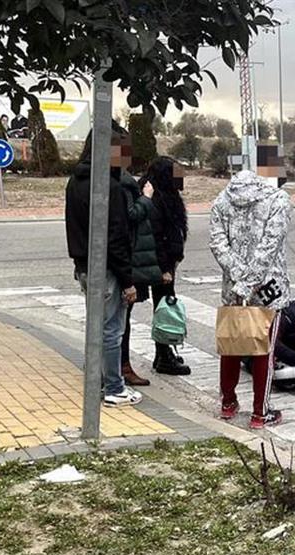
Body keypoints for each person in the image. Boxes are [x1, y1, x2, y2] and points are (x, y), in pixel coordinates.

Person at [65, 122, 141, 407]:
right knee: (111, 329)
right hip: (107, 269)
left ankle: (97, 381)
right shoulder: (109, 187)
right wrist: (128, 280)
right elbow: (116, 238)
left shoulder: (75, 182)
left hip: (83, 265)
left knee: (96, 327)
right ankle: (114, 387)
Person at [210, 169, 291, 428]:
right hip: (268, 288)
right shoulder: (278, 199)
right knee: (264, 351)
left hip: (233, 288)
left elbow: (217, 243)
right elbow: (271, 245)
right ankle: (260, 412)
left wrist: (239, 278)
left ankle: (228, 403)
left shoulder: (221, 201)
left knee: (232, 344)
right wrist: (251, 281)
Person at [142, 156, 191, 376]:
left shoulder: (167, 195)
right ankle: (163, 356)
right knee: (164, 308)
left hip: (167, 262)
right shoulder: (157, 198)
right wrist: (164, 269)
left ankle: (163, 352)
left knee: (163, 306)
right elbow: (156, 236)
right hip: (160, 265)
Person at [117, 161, 161, 387]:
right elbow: (130, 216)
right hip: (128, 260)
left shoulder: (114, 179)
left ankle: (111, 366)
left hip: (126, 259)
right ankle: (120, 369)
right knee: (119, 322)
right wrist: (146, 198)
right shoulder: (123, 184)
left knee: (116, 321)